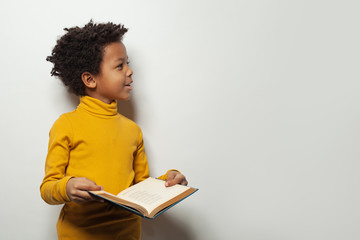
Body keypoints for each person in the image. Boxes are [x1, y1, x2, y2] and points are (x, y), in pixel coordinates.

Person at [40, 20, 188, 240]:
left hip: (127, 233)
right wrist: (67, 186)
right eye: (120, 66)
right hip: (80, 234)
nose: (130, 71)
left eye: (127, 63)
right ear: (90, 79)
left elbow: (141, 187)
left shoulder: (132, 130)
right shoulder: (66, 125)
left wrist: (169, 181)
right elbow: (48, 188)